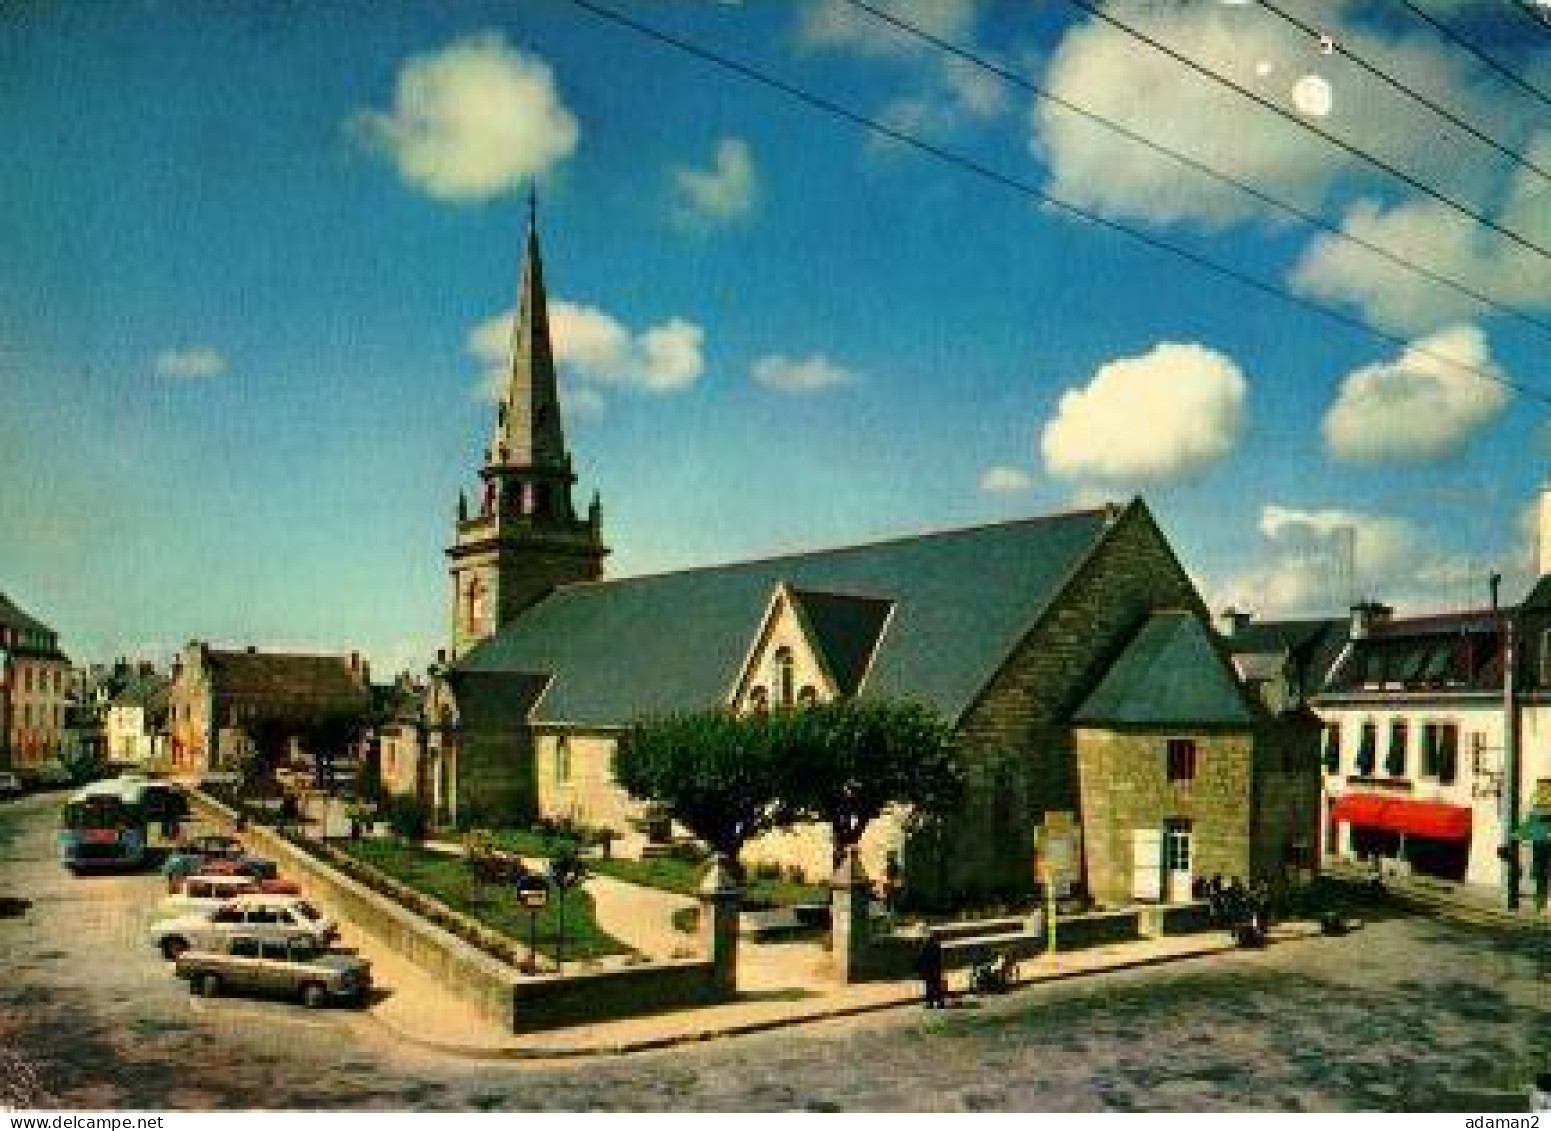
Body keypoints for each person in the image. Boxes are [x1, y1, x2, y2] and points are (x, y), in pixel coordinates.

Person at [916, 930, 947, 1009]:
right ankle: (940, 1002)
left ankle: (931, 1003)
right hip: (935, 969)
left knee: (930, 987)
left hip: (929, 969)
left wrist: (921, 969)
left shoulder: (925, 946)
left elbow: (921, 958)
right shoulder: (936, 946)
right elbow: (940, 958)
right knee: (937, 986)